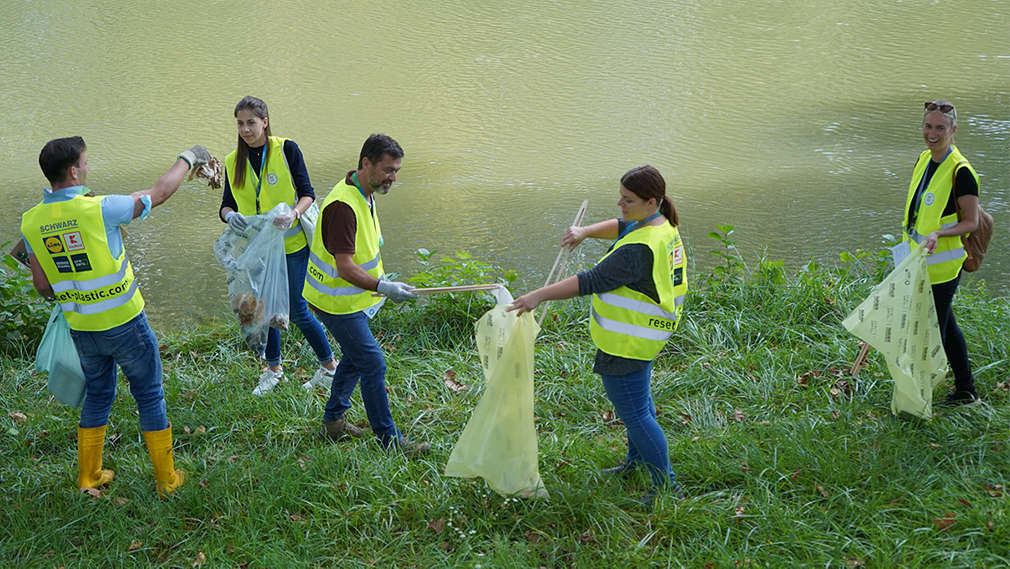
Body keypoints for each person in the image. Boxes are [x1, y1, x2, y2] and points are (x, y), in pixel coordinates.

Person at [20, 136, 210, 495]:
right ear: (73, 171)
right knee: (149, 394)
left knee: (98, 394)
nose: (88, 167)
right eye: (85, 163)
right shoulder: (100, 208)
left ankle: (89, 477)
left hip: (82, 327)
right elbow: (159, 193)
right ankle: (167, 480)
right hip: (125, 323)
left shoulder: (31, 221)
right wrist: (189, 158)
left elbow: (42, 285)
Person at [508, 165, 688, 504]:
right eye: (621, 197)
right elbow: (622, 226)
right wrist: (586, 231)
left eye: (628, 200)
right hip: (645, 335)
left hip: (627, 341)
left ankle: (667, 487)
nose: (621, 204)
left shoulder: (638, 250)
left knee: (637, 415)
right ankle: (636, 462)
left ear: (651, 201)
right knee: (640, 406)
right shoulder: (660, 224)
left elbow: (590, 280)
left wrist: (538, 295)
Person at [302, 134, 429, 455]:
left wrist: (382, 284)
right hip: (336, 301)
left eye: (396, 171)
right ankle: (389, 440)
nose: (393, 178)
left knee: (355, 357)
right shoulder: (343, 206)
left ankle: (333, 422)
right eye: (388, 170)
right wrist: (383, 287)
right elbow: (345, 267)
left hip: (350, 298)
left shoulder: (364, 191)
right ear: (366, 163)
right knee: (372, 363)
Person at [219, 96, 339, 395]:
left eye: (251, 123)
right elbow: (226, 205)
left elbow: (308, 193)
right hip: (257, 249)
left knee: (296, 310)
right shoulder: (233, 161)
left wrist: (294, 214)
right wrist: (230, 216)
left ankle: (329, 367)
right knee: (265, 308)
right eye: (240, 124)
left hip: (291, 244)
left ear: (265, 122)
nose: (245, 130)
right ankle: (273, 370)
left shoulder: (287, 149)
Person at [903, 99, 981, 405]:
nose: (932, 133)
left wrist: (939, 234)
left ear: (953, 130)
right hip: (918, 259)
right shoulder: (924, 158)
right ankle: (965, 389)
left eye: (940, 128)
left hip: (943, 266)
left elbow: (972, 222)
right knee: (944, 323)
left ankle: (926, 390)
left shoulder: (962, 172)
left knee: (933, 326)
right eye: (928, 126)